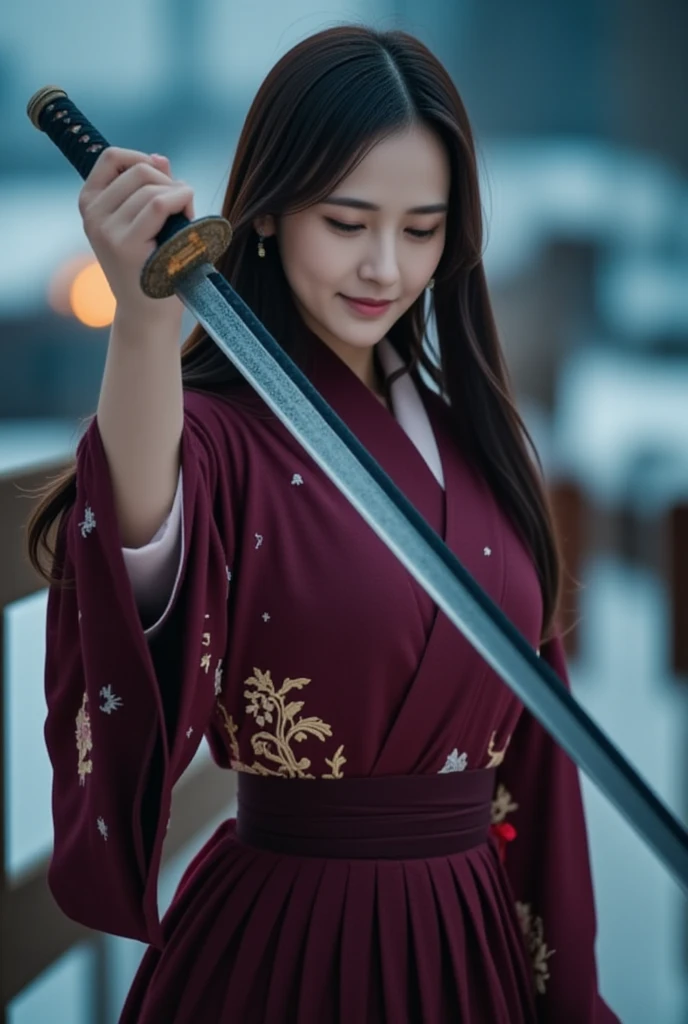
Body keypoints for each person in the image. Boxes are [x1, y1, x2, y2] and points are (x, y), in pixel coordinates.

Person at [27, 24, 619, 1023]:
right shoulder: (212, 440)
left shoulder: (477, 440)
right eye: (346, 222)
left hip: (471, 940)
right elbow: (141, 546)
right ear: (269, 215)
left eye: (421, 228)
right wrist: (141, 321)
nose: (384, 267)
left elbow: (536, 762)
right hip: (284, 943)